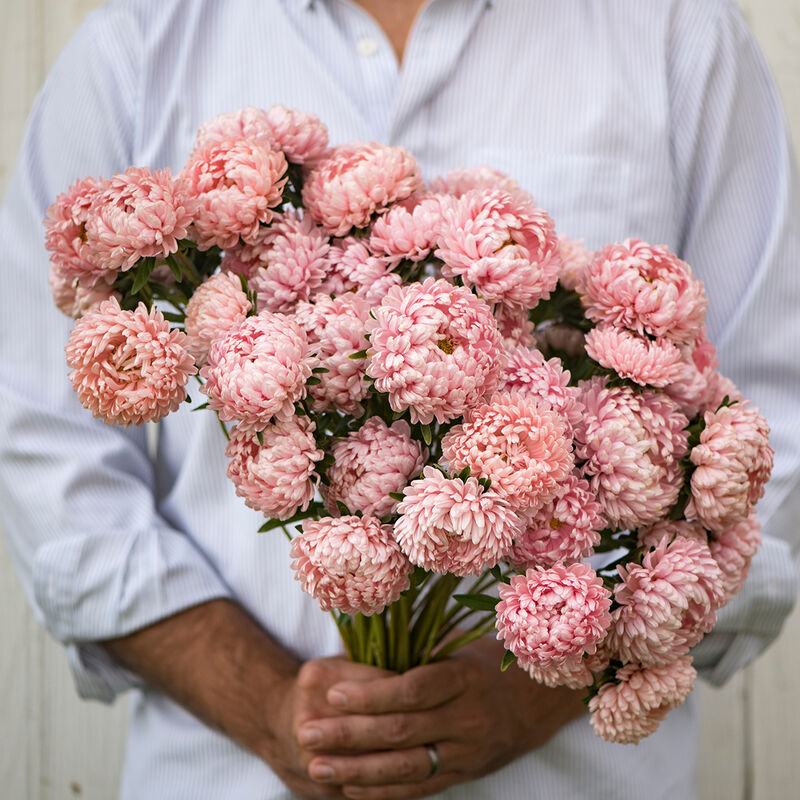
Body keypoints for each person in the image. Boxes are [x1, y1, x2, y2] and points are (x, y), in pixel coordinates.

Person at [1, 0, 799, 798]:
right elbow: (41, 443)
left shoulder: (674, 29)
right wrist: (263, 700)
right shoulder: (139, 41)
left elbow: (774, 432)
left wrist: (547, 676)